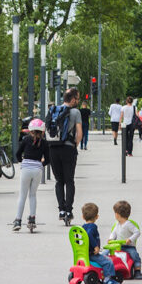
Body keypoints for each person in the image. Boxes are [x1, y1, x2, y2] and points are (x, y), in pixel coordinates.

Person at [48, 88, 83, 224]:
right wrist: (76, 144)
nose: (78, 101)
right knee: (69, 180)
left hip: (53, 148)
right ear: (73, 99)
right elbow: (79, 133)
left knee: (59, 181)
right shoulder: (75, 112)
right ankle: (69, 210)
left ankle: (61, 210)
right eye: (77, 98)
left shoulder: (53, 110)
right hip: (68, 148)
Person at [12, 119, 50, 231]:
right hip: (37, 170)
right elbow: (48, 159)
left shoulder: (26, 139)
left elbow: (18, 154)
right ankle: (32, 220)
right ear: (42, 131)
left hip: (26, 169)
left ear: (30, 130)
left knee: (22, 195)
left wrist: (21, 161)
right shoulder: (44, 143)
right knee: (32, 195)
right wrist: (40, 164)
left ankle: (18, 220)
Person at [82, 203, 120, 284]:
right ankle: (107, 279)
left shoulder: (82, 227)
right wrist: (95, 246)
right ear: (97, 217)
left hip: (84, 254)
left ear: (83, 217)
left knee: (104, 254)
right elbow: (89, 235)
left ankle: (100, 276)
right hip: (92, 254)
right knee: (108, 262)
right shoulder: (93, 226)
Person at [108, 200, 142, 279]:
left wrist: (130, 239)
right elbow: (114, 233)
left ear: (117, 214)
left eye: (115, 213)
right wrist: (111, 238)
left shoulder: (128, 224)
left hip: (128, 247)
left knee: (134, 255)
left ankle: (137, 271)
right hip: (118, 246)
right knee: (107, 252)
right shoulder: (117, 224)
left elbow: (137, 232)